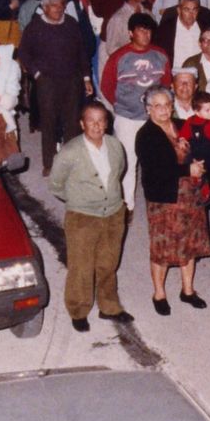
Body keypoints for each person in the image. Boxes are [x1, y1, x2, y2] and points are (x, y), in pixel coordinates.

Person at [48, 101, 132, 332]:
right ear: (82, 124)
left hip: (114, 213)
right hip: (82, 217)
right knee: (81, 266)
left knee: (108, 263)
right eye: (91, 121)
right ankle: (78, 310)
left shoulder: (115, 145)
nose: (96, 125)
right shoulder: (70, 152)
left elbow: (120, 171)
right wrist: (79, 200)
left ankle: (109, 307)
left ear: (107, 123)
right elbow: (55, 185)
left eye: (101, 120)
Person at [135, 87, 210, 316]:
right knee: (163, 248)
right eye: (157, 106)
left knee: (190, 243)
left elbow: (201, 146)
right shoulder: (146, 135)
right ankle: (159, 293)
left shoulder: (182, 124)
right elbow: (157, 169)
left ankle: (187, 290)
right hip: (164, 198)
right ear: (148, 109)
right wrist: (188, 168)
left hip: (190, 195)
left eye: (167, 104)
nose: (164, 110)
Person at [100, 12, 171, 210]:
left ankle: (158, 203)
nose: (146, 35)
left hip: (154, 119)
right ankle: (127, 206)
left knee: (156, 161)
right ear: (131, 33)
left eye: (149, 30)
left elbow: (165, 85)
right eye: (141, 30)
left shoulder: (160, 54)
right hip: (128, 117)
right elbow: (107, 86)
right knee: (128, 162)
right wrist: (122, 105)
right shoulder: (119, 57)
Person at [18, 0, 91, 175]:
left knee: (73, 122)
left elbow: (81, 51)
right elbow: (24, 53)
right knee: (49, 121)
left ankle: (71, 162)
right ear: (44, 8)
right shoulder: (35, 27)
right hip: (47, 81)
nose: (59, 10)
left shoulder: (71, 23)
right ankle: (49, 163)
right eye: (53, 6)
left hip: (72, 79)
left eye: (61, 5)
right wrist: (37, 75)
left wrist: (86, 77)